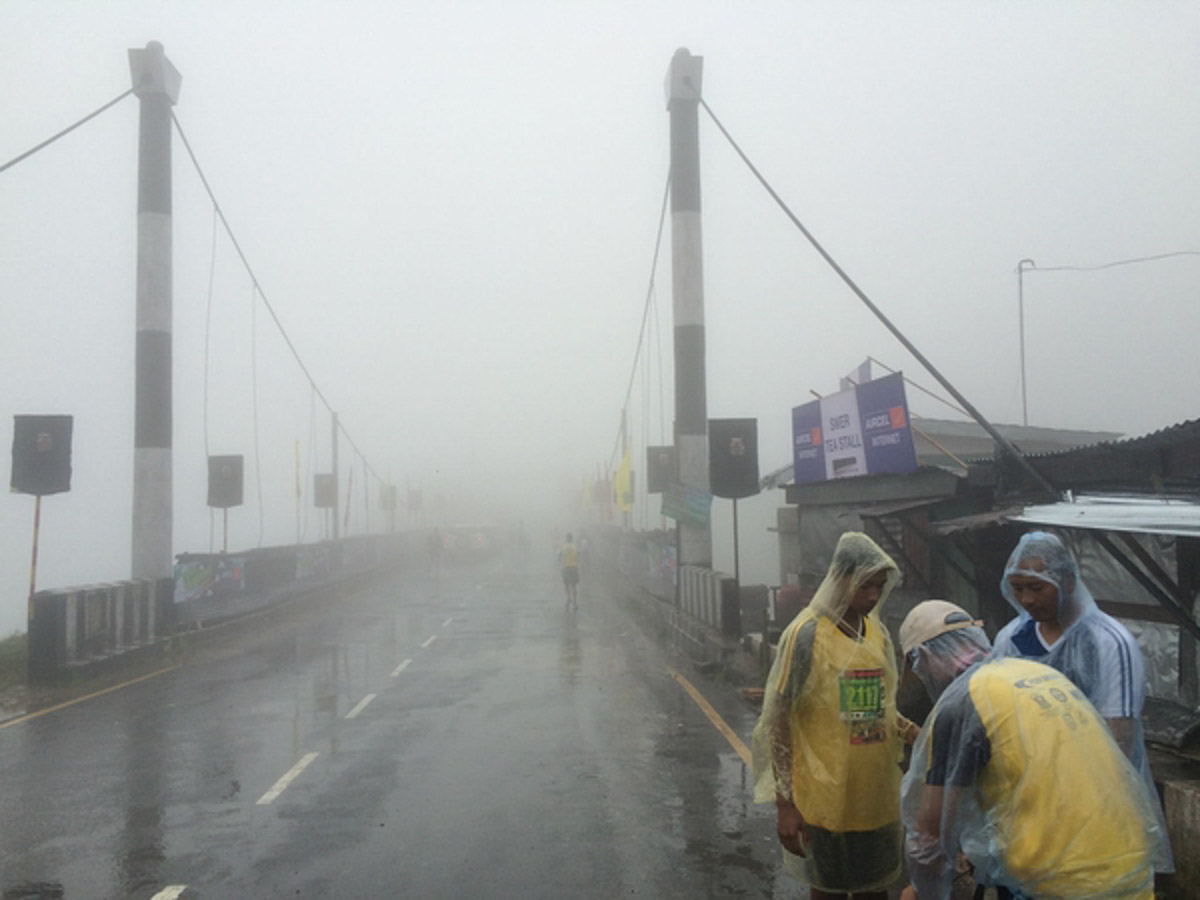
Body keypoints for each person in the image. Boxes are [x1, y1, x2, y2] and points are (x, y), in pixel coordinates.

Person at [898, 599, 1160, 899]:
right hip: (1132, 868)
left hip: (1063, 883)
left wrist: (920, 889)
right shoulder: (1038, 675)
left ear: (924, 657)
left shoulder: (962, 703)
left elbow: (932, 833)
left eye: (918, 667)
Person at [988, 531, 1172, 873]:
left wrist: (1085, 805)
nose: (1026, 599)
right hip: (1026, 803)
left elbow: (1119, 736)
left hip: (1093, 803)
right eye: (1017, 587)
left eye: (1037, 587)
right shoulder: (1011, 639)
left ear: (1068, 582)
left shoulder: (1108, 642)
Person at [750, 532, 904, 900]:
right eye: (866, 585)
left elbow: (883, 709)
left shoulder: (877, 633)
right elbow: (778, 717)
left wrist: (913, 733)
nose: (873, 596)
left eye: (880, 587)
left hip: (875, 799)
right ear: (841, 578)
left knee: (875, 890)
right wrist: (785, 804)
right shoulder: (805, 635)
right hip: (824, 802)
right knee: (829, 892)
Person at [558, 532, 580, 610]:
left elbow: (559, 556)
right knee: (574, 586)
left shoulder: (563, 547)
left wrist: (559, 562)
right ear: (572, 539)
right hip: (574, 567)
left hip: (566, 567)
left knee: (566, 585)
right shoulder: (575, 547)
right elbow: (578, 555)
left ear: (567, 539)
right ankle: (575, 602)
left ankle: (568, 599)